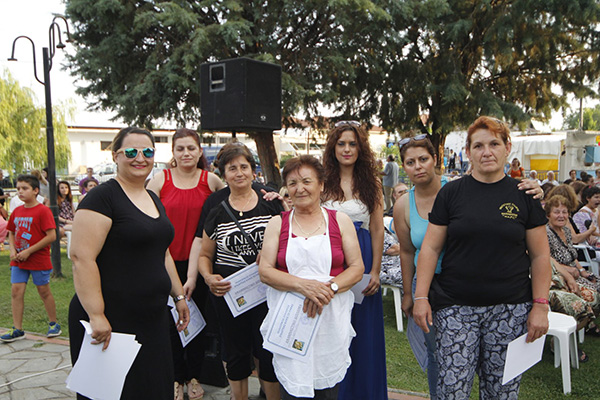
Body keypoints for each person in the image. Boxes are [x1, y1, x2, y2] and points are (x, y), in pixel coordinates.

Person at [413, 116, 550, 398]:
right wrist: (421, 297)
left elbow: (539, 256)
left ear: (507, 147)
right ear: (467, 152)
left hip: (510, 309)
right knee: (452, 391)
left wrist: (540, 305)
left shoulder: (524, 195)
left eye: (494, 144)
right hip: (456, 307)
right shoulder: (451, 193)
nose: (486, 152)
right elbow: (430, 248)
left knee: (502, 392)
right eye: (478, 146)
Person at [68, 127, 190, 400]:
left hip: (152, 318)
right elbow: (81, 257)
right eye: (131, 151)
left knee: (154, 390)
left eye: (147, 152)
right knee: (112, 394)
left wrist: (179, 295)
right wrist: (97, 314)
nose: (140, 158)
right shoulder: (102, 198)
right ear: (115, 156)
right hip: (112, 319)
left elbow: (162, 253)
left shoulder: (153, 198)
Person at [258, 155, 365, 399]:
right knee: (292, 388)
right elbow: (265, 271)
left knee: (327, 390)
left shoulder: (340, 221)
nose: (300, 188)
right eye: (293, 183)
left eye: (307, 181)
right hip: (289, 322)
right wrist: (303, 286)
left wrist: (328, 289)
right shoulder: (277, 224)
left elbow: (356, 268)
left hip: (330, 318)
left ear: (321, 185)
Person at [197, 143, 283, 400]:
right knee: (235, 353)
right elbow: (204, 255)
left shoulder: (271, 204)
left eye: (244, 167)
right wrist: (208, 277)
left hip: (268, 292)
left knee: (267, 351)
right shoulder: (217, 211)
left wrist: (270, 254)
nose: (239, 173)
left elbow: (290, 241)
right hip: (230, 296)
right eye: (232, 168)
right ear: (224, 174)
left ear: (253, 171)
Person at [147, 128, 225, 400]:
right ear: (173, 152)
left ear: (200, 151)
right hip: (166, 263)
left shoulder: (210, 180)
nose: (186, 153)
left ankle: (194, 376)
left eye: (191, 148)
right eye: (180, 149)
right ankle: (175, 378)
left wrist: (270, 195)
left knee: (197, 323)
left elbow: (238, 195)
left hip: (200, 266)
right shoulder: (161, 179)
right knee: (170, 325)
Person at [321, 120, 387, 400]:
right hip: (331, 258)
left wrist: (375, 271)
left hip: (363, 257)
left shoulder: (372, 183)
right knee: (333, 326)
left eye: (352, 144)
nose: (347, 149)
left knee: (362, 329)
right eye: (341, 144)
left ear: (361, 149)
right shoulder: (322, 180)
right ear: (333, 147)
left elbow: (377, 229)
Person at [0, 174, 61, 342]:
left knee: (43, 291)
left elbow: (51, 236)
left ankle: (53, 323)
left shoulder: (43, 211)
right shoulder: (17, 211)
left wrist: (29, 251)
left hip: (38, 259)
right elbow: (12, 232)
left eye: (25, 188)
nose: (20, 191)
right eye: (18, 188)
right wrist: (12, 250)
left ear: (35, 191)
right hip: (18, 260)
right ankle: (17, 329)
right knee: (16, 291)